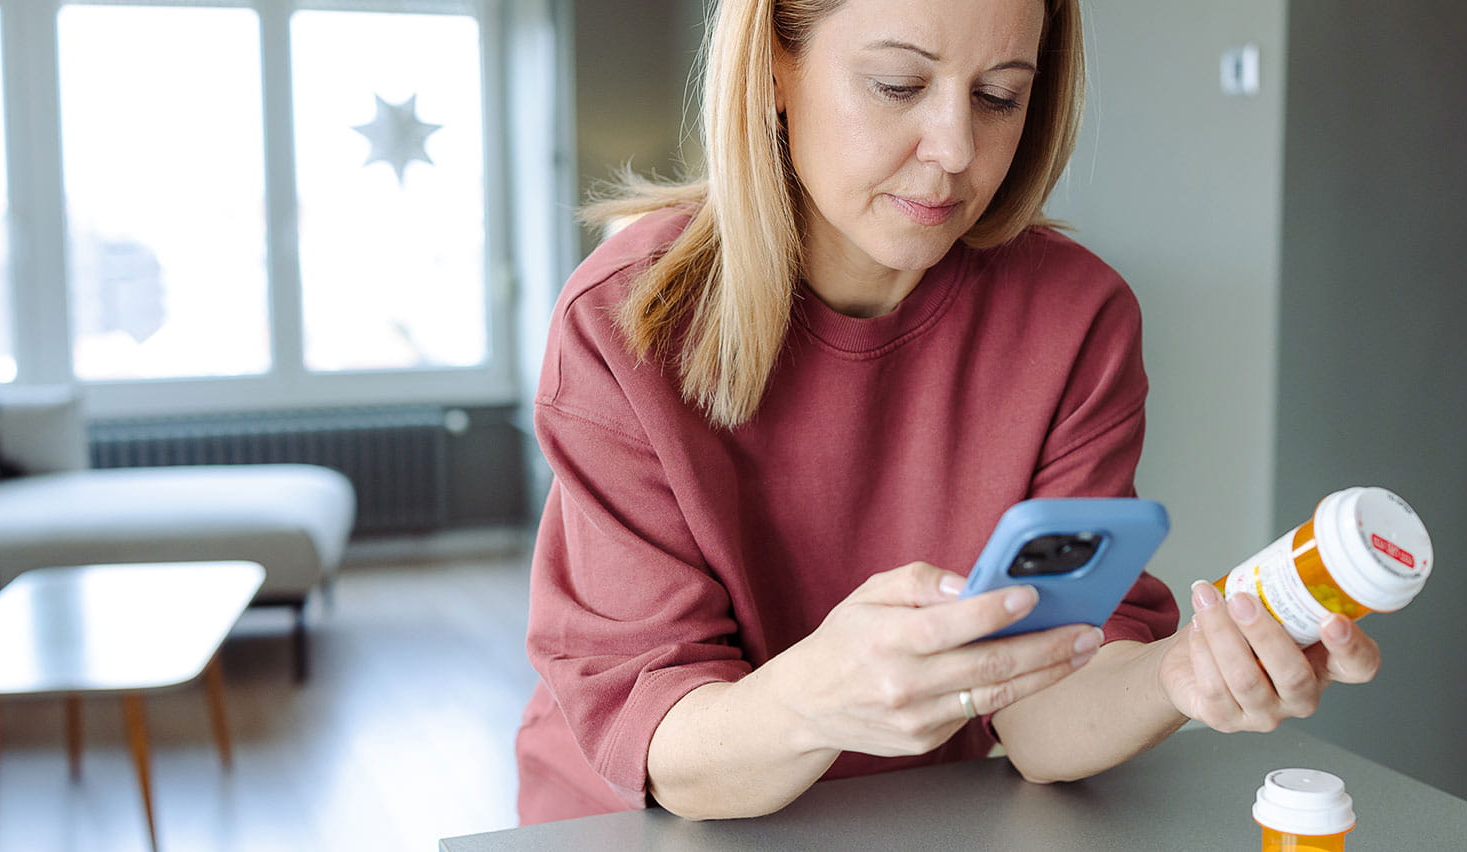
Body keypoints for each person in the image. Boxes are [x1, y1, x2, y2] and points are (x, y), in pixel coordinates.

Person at [516, 0, 1382, 825]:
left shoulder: (1076, 318)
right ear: (777, 65)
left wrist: (1182, 676)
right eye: (898, 85)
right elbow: (669, 754)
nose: (957, 147)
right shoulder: (626, 322)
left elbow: (1041, 718)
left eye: (1001, 96)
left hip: (917, 818)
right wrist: (819, 699)